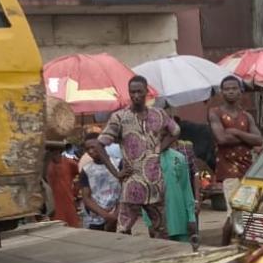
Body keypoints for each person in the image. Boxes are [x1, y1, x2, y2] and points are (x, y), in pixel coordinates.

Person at [98, 75, 178, 238]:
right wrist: (116, 172)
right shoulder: (119, 118)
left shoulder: (159, 114)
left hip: (155, 183)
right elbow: (99, 145)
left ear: (146, 92)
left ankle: (160, 259)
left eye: (139, 92)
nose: (135, 96)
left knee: (161, 230)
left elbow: (175, 131)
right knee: (123, 230)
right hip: (132, 184)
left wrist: (159, 149)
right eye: (132, 92)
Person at [210, 76, 263, 183]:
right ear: (221, 92)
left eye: (234, 88)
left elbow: (259, 140)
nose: (231, 92)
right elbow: (222, 139)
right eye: (227, 89)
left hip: (247, 170)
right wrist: (248, 139)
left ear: (240, 91)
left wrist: (236, 132)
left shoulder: (247, 116)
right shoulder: (215, 112)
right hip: (226, 171)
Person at [159, 143, 199, 246]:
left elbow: (186, 189)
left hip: (181, 220)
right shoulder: (147, 160)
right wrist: (149, 222)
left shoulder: (179, 158)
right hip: (159, 222)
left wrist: (191, 217)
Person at [80, 139, 122, 232]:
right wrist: (106, 215)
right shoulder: (86, 170)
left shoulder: (118, 164)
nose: (90, 151)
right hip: (97, 217)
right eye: (88, 149)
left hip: (119, 214)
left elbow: (125, 191)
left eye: (93, 147)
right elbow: (86, 198)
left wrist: (116, 214)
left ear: (102, 146)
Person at [45, 141, 82, 228]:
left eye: (56, 150)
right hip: (52, 204)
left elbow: (82, 174)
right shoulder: (46, 165)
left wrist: (76, 190)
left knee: (72, 228)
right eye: (51, 150)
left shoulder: (69, 162)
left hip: (68, 201)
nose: (54, 153)